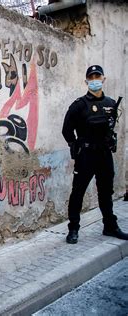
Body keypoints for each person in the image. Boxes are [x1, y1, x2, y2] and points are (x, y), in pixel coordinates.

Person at [62, 65, 128, 244]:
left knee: (106, 192)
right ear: (86, 81)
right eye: (91, 77)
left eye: (97, 76)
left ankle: (110, 226)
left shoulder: (111, 104)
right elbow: (66, 130)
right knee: (78, 192)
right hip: (86, 155)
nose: (95, 80)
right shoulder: (78, 106)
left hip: (104, 155)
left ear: (103, 79)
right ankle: (74, 229)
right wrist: (75, 146)